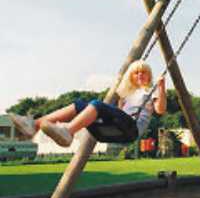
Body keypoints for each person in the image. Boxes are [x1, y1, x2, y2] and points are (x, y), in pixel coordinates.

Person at [9, 60, 166, 147]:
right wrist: (118, 104)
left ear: (149, 75)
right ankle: (34, 125)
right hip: (113, 129)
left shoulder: (150, 91)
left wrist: (161, 86)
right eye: (136, 72)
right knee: (79, 105)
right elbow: (117, 114)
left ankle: (68, 132)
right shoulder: (127, 94)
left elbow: (160, 110)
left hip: (131, 130)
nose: (140, 75)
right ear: (131, 76)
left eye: (143, 72)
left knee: (97, 104)